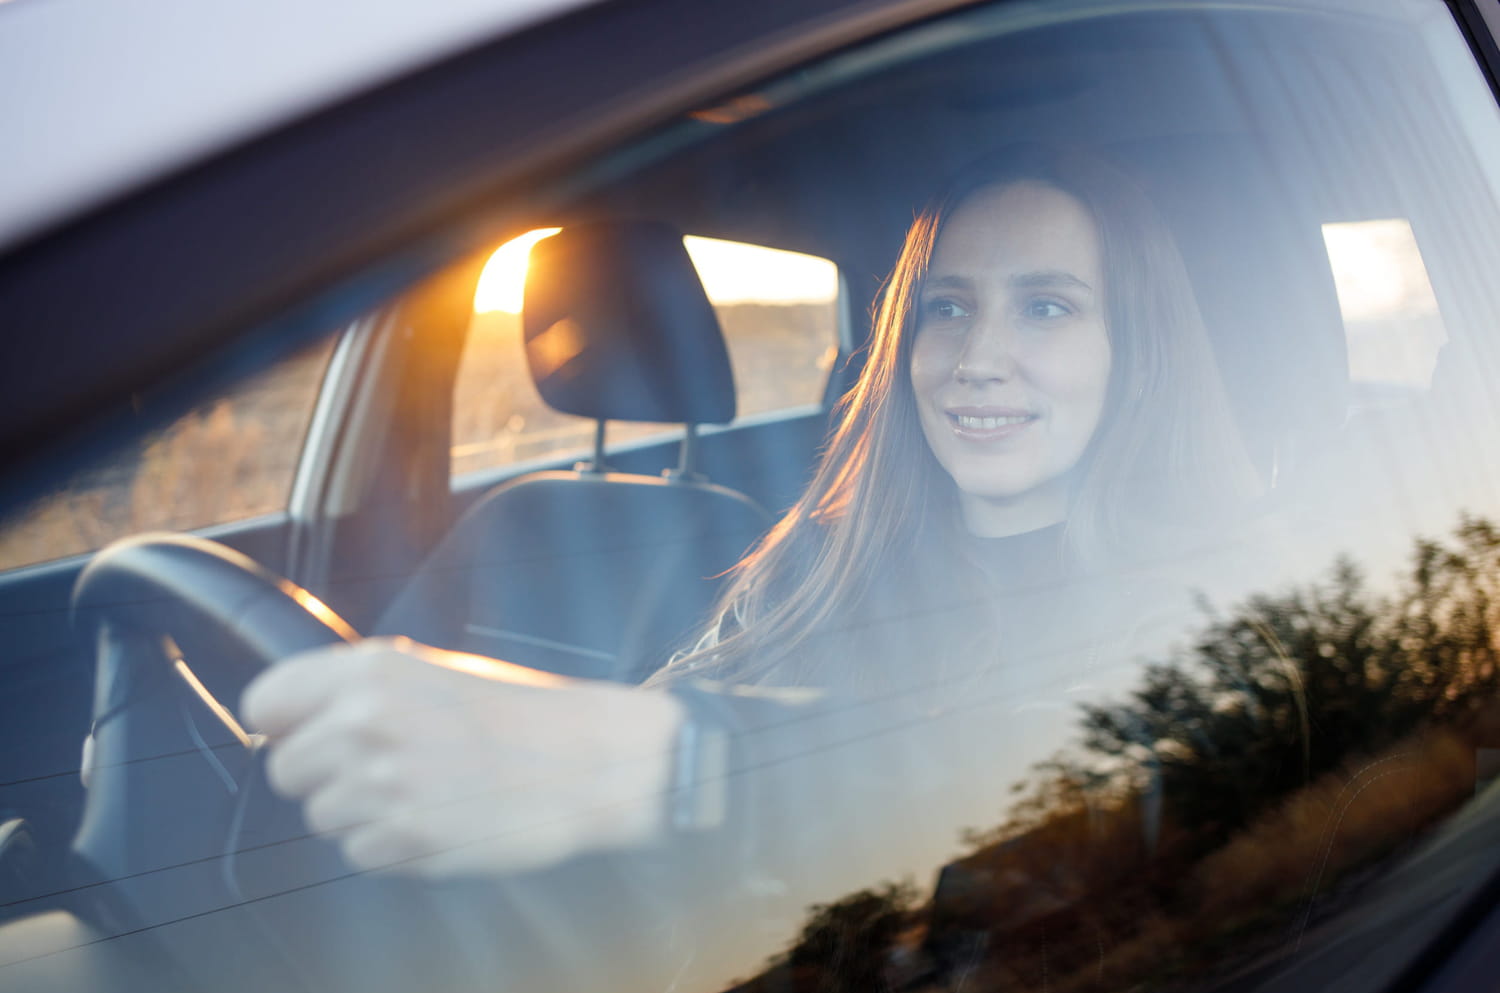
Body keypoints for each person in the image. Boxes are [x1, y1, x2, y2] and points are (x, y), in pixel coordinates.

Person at [241, 146, 1260, 887]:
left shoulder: (1222, 599)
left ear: (1138, 351)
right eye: (946, 308)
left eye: (1046, 306)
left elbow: (1082, 799)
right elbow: (684, 702)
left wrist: (674, 765)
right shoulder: (821, 555)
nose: (977, 356)